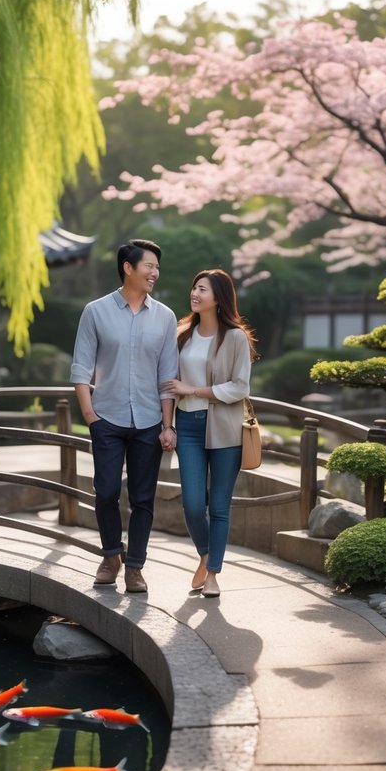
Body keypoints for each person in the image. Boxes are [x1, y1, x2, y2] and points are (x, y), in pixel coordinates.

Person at [70, 239, 179, 594]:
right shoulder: (96, 311)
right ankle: (110, 555)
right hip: (108, 419)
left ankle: (135, 566)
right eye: (148, 266)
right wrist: (91, 416)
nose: (154, 273)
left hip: (149, 420)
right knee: (105, 492)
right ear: (128, 268)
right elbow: (81, 368)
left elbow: (167, 376)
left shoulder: (165, 317)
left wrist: (167, 425)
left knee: (143, 498)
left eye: (157, 268)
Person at [163, 269, 256, 598]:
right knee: (191, 504)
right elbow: (170, 385)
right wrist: (167, 424)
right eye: (194, 287)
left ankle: (213, 573)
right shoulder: (182, 334)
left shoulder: (235, 338)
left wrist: (195, 389)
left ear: (219, 297)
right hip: (187, 426)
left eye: (202, 289)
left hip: (224, 429)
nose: (195, 293)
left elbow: (240, 386)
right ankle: (205, 554)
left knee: (218, 506)